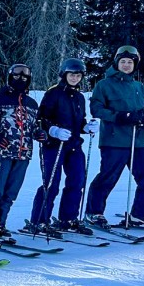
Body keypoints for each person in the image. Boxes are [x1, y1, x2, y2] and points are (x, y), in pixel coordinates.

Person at [83, 45, 144, 229]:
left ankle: (141, 213)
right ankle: (94, 212)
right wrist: (120, 116)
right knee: (108, 177)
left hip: (139, 140)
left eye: (130, 62)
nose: (126, 65)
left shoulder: (138, 86)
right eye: (123, 62)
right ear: (117, 63)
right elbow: (96, 109)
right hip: (114, 140)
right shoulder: (104, 85)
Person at [23, 58, 98, 236]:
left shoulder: (80, 97)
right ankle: (39, 221)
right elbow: (41, 119)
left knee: (77, 181)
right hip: (53, 146)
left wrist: (87, 127)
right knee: (51, 183)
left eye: (78, 75)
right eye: (71, 74)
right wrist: (53, 130)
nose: (75, 78)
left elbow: (79, 122)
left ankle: (68, 218)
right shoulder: (53, 93)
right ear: (64, 74)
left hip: (74, 145)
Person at [0, 63, 47, 243]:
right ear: (9, 77)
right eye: (16, 76)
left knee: (11, 192)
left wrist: (39, 133)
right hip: (2, 152)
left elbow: (34, 127)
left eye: (24, 77)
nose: (20, 79)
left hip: (23, 154)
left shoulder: (32, 103)